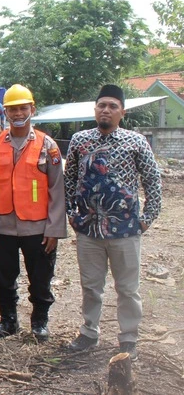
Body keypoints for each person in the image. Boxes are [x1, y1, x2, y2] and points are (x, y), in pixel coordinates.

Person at [65, 84, 162, 361]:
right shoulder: (80, 141)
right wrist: (72, 214)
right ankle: (88, 332)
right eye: (102, 105)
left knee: (127, 288)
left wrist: (146, 219)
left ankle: (128, 338)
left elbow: (153, 181)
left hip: (126, 230)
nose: (106, 110)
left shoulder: (136, 142)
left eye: (112, 106)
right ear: (95, 109)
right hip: (88, 230)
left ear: (122, 112)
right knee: (90, 286)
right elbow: (68, 179)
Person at [0, 84, 66, 342]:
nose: (17, 114)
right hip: (3, 225)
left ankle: (39, 322)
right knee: (3, 276)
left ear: (32, 110)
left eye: (22, 108)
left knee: (41, 277)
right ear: (5, 112)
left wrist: (54, 229)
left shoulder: (47, 145)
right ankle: (8, 321)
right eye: (12, 109)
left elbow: (57, 190)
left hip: (38, 227)